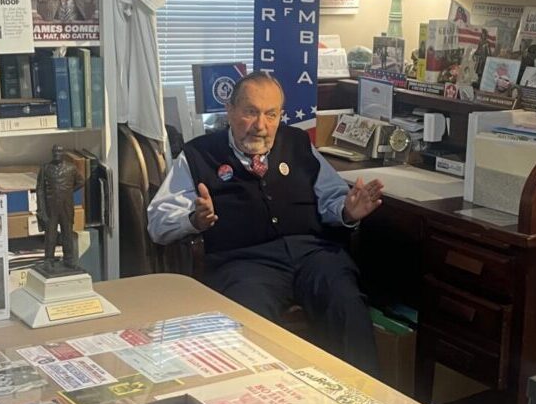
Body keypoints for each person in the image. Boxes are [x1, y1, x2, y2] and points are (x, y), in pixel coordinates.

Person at [147, 72, 384, 375]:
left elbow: (333, 199)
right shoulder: (197, 154)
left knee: (347, 303)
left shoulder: (298, 143)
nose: (261, 125)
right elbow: (158, 222)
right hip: (245, 262)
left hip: (313, 255)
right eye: (250, 112)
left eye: (271, 114)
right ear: (229, 111)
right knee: (250, 326)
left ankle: (363, 399)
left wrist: (348, 211)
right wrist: (193, 219)